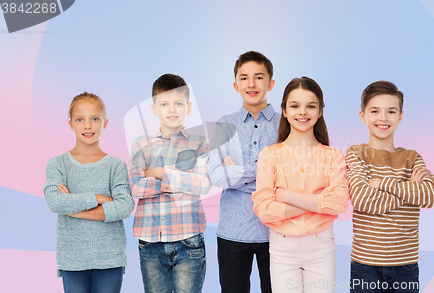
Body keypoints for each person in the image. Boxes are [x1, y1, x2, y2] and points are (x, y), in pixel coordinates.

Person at [252, 77, 349, 293]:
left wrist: (284, 195)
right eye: (295, 106)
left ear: (320, 111)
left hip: (321, 246)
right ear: (285, 111)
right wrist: (318, 203)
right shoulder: (270, 155)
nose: (302, 112)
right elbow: (265, 211)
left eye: (310, 106)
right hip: (282, 247)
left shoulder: (334, 156)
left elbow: (339, 204)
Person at [346, 81, 434, 293]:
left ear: (400, 116)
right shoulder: (356, 153)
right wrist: (409, 188)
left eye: (391, 111)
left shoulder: (412, 157)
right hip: (365, 264)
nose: (383, 117)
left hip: (406, 264)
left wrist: (380, 183)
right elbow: (361, 199)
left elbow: (431, 195)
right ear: (362, 116)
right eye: (375, 111)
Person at [44, 92, 135, 293]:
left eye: (95, 119)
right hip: (72, 258)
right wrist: (99, 199)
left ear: (105, 122)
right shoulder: (58, 164)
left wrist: (75, 210)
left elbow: (124, 206)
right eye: (80, 119)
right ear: (71, 124)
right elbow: (55, 202)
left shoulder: (116, 166)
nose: (88, 125)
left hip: (110, 257)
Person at [129, 74, 211, 293]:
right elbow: (136, 186)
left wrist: (158, 173)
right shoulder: (140, 143)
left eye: (178, 103)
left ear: (189, 107)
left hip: (188, 239)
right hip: (150, 241)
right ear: (154, 109)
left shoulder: (199, 143)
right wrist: (179, 181)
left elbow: (203, 184)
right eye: (164, 104)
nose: (172, 110)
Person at [208, 51, 279, 293]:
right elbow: (216, 176)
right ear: (236, 84)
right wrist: (265, 173)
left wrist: (237, 174)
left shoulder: (286, 125)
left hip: (276, 234)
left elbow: (289, 178)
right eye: (244, 78)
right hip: (233, 233)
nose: (251, 84)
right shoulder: (224, 125)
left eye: (259, 77)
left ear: (270, 83)